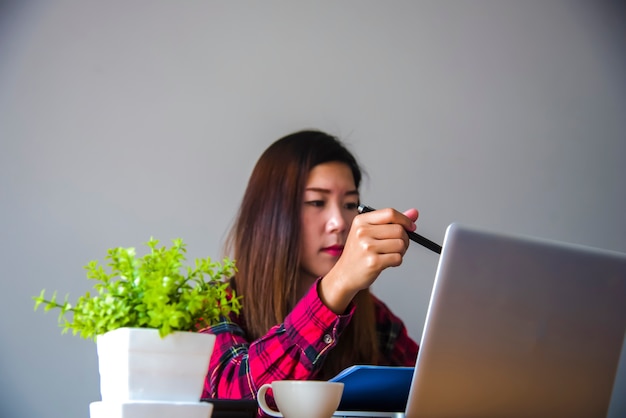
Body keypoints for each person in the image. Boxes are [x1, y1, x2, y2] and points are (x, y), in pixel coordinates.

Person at [200, 129, 419, 401]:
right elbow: (234, 398)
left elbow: (434, 390)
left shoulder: (373, 317)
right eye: (317, 202)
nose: (339, 222)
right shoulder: (214, 305)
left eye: (351, 204)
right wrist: (336, 285)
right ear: (270, 215)